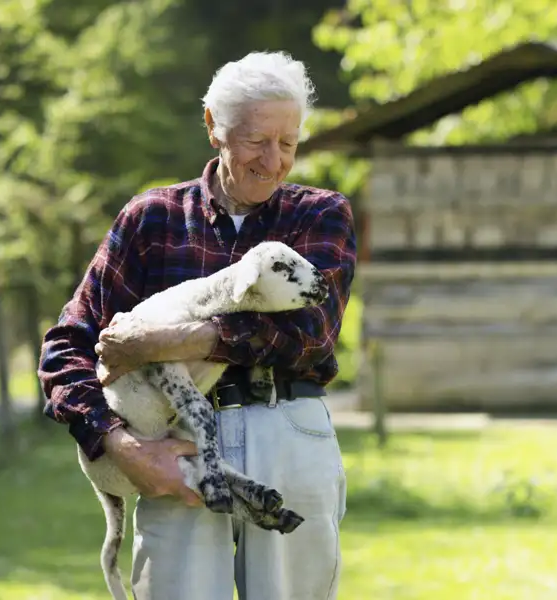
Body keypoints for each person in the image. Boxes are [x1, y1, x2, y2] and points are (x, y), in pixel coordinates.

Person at [38, 50, 356, 600]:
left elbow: (310, 330)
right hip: (172, 446)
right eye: (257, 140)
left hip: (288, 431)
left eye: (289, 143)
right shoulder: (152, 218)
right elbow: (67, 345)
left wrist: (169, 342)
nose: (274, 160)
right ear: (214, 127)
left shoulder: (319, 214)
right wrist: (118, 445)